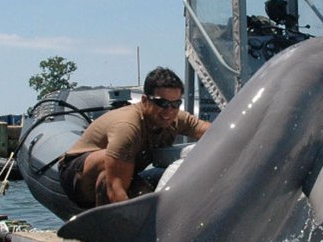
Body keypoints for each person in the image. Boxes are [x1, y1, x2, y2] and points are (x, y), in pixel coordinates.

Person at [59, 66, 211, 208]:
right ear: (144, 100)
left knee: (144, 193)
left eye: (175, 103)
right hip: (79, 178)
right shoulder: (128, 126)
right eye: (162, 103)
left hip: (125, 172)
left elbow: (212, 131)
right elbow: (115, 188)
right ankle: (107, 230)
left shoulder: (175, 118)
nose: (168, 111)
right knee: (108, 171)